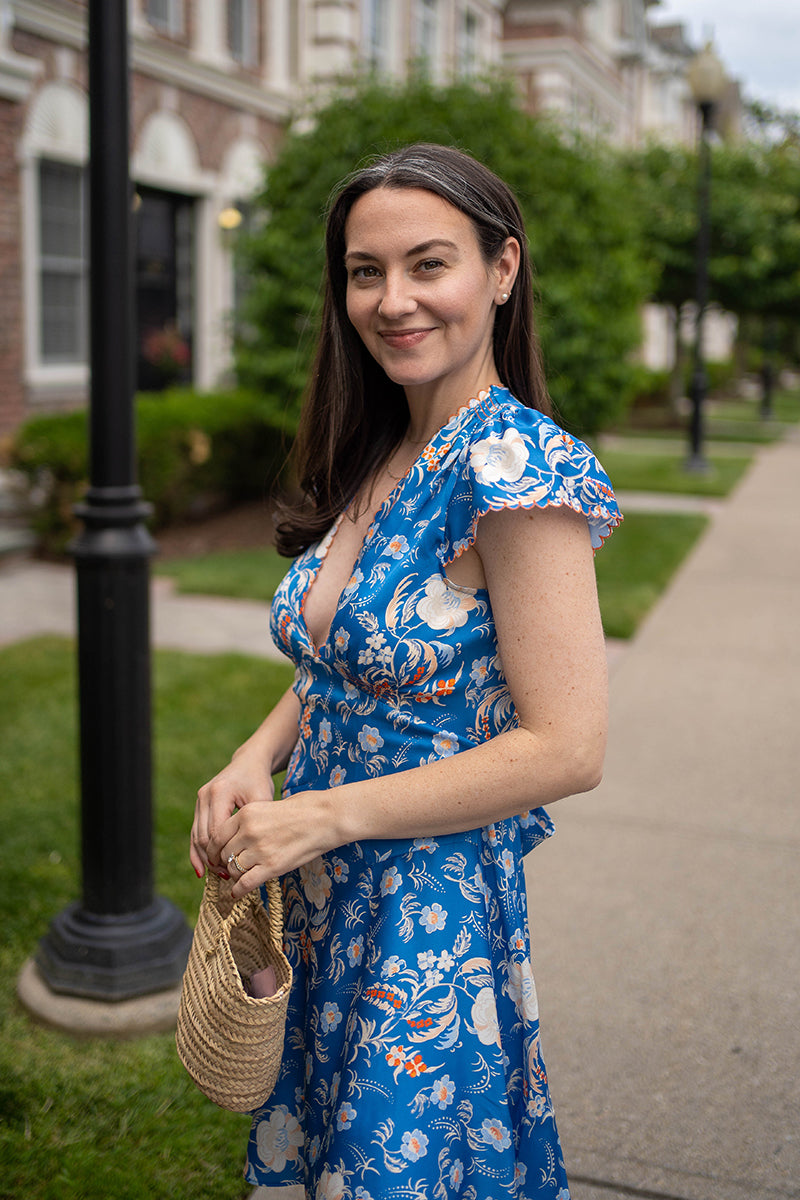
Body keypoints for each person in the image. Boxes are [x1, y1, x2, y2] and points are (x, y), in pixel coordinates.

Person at [191, 143, 621, 1200]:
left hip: (421, 926)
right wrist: (255, 760)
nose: (391, 300)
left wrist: (325, 816)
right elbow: (343, 667)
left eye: (428, 265)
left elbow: (566, 749)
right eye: (363, 271)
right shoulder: (390, 444)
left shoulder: (514, 468)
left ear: (501, 269)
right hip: (327, 893)